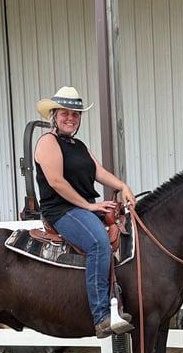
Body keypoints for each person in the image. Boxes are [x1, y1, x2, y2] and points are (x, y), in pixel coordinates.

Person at [34, 85, 136, 338]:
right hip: (63, 210)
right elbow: (56, 181)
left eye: (75, 114)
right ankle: (101, 316)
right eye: (65, 113)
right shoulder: (47, 142)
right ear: (54, 116)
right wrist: (89, 205)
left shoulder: (78, 145)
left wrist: (123, 186)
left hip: (84, 208)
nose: (70, 118)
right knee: (99, 243)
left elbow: (98, 171)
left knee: (128, 229)